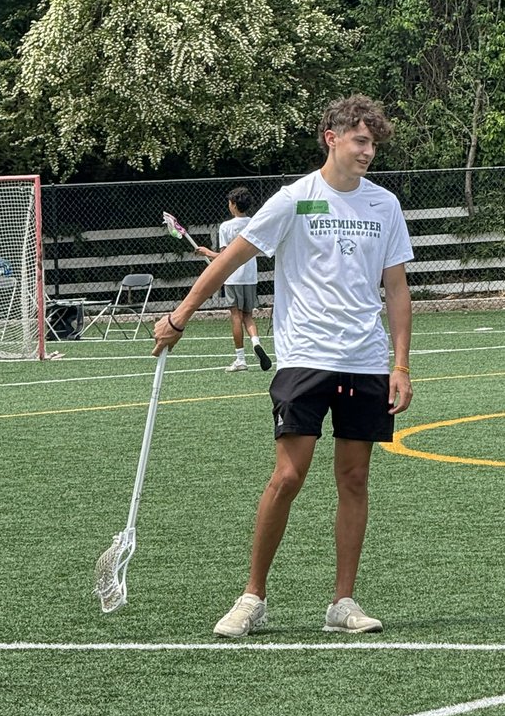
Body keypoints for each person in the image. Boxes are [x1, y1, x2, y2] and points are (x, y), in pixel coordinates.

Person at [153, 94, 414, 637]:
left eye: (373, 143)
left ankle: (343, 602)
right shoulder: (295, 199)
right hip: (304, 359)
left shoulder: (384, 205)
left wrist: (401, 364)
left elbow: (396, 288)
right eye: (360, 141)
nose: (368, 151)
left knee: (355, 477)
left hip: (366, 362)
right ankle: (253, 597)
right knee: (288, 476)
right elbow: (229, 260)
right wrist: (180, 316)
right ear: (332, 137)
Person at [195, 187, 272, 373]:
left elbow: (224, 257)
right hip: (251, 276)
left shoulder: (226, 226)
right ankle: (256, 342)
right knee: (248, 315)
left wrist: (206, 252)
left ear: (234, 205)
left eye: (230, 202)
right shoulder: (255, 223)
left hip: (233, 276)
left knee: (236, 316)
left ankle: (240, 359)